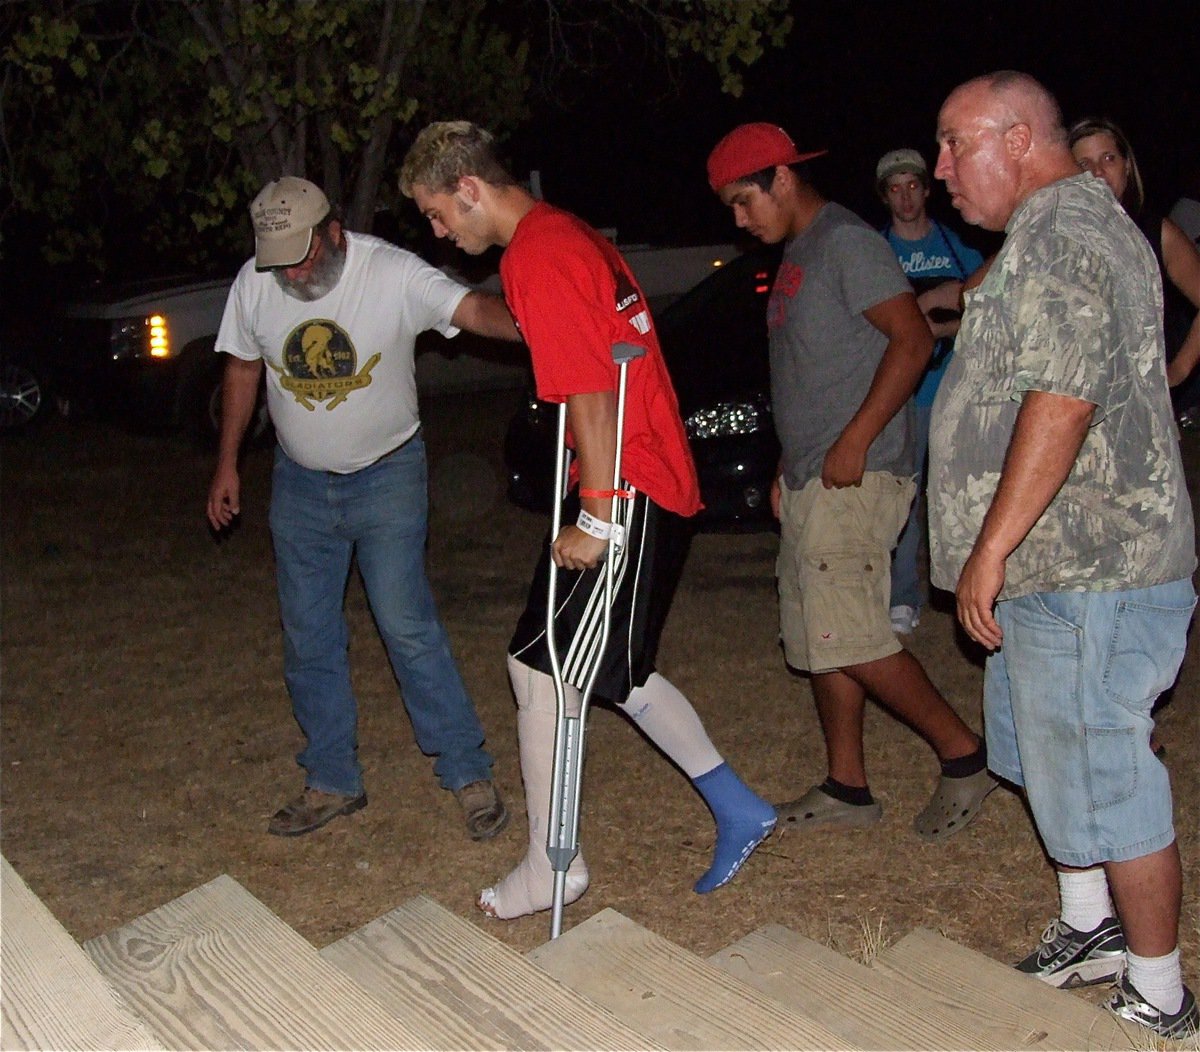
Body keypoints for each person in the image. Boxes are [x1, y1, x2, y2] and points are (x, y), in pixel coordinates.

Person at [398, 121, 777, 920]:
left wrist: (599, 518)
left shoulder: (535, 252)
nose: (439, 231)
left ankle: (550, 866)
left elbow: (592, 393)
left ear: (468, 188)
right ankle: (738, 807)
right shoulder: (563, 233)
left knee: (542, 668)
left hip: (627, 485)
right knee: (608, 671)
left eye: (437, 213)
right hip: (643, 476)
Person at [930, 72, 1197, 1039]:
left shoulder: (1068, 233)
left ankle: (1160, 993)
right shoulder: (1040, 236)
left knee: (1105, 772)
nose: (942, 168)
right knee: (1047, 756)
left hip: (1094, 569)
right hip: (1052, 575)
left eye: (958, 145)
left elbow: (1064, 401)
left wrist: (991, 548)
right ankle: (1092, 930)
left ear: (1019, 139)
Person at [206, 176, 519, 841]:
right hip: (299, 485)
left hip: (388, 477)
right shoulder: (255, 281)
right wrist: (228, 462)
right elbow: (241, 369)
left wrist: (551, 319)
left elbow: (475, 312)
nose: (289, 270)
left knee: (406, 623)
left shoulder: (391, 272)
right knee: (308, 633)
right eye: (277, 258)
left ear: (334, 232)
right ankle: (331, 779)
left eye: (301, 253)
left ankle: (466, 768)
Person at [706, 122, 994, 842]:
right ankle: (848, 785)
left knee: (854, 635)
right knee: (818, 634)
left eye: (744, 201)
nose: (740, 221)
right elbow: (809, 374)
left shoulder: (845, 242)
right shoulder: (800, 254)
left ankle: (966, 759)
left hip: (858, 475)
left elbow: (914, 337)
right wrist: (786, 463)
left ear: (780, 177)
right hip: (812, 475)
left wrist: (856, 441)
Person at [874, 148, 984, 635]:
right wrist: (929, 311)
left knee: (965, 492)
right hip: (906, 396)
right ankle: (903, 595)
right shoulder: (875, 254)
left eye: (913, 186)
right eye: (895, 188)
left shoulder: (957, 246)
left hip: (959, 391)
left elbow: (990, 308)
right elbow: (874, 328)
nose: (905, 197)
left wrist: (942, 324)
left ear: (927, 189)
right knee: (905, 496)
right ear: (885, 197)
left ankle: (976, 588)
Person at [1068, 118, 1200, 397]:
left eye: (1108, 158)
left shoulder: (1156, 233)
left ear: (1127, 166)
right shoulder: (1051, 235)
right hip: (1069, 398)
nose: (1098, 172)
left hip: (1138, 404)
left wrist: (1178, 369)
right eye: (1084, 164)